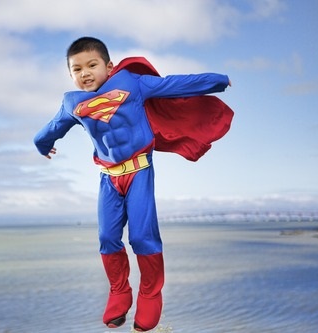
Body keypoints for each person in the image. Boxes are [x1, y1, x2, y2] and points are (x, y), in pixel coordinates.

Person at [33, 37, 232, 332]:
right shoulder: (71, 103)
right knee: (107, 237)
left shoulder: (132, 84)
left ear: (108, 66)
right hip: (108, 178)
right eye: (77, 69)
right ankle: (119, 291)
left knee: (141, 236)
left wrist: (217, 80)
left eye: (92, 65)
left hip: (139, 170)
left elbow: (175, 84)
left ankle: (150, 294)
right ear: (70, 75)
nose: (85, 73)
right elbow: (51, 129)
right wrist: (42, 145)